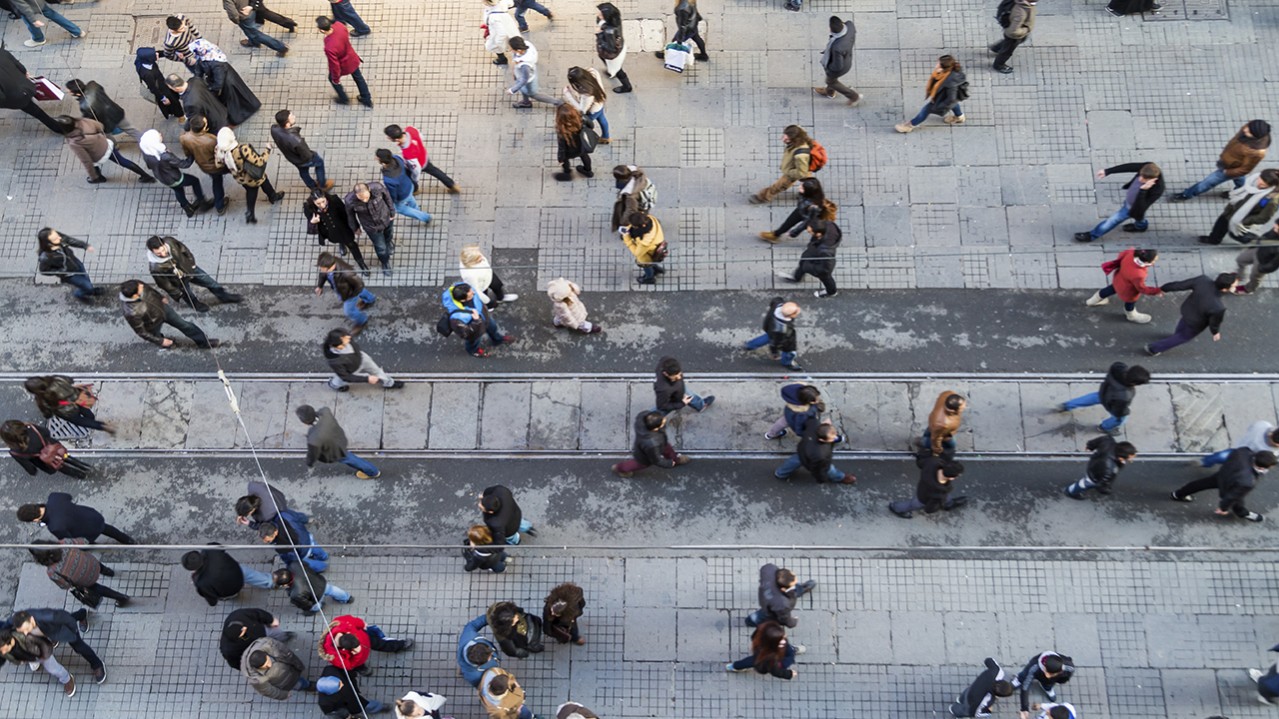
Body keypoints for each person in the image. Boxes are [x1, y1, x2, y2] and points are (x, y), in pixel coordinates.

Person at [1172, 120, 1271, 201]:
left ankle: (1187, 194)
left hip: (1231, 168)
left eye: (1249, 131)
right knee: (1240, 179)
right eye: (1247, 126)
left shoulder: (1257, 152)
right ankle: (1240, 192)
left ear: (1255, 136)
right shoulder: (1249, 129)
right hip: (1229, 162)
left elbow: (1245, 169)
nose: (1245, 129)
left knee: (1207, 182)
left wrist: (1227, 172)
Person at [1171, 447, 1275, 521]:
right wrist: (1223, 508)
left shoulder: (1243, 451)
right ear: (1262, 468)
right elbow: (1231, 496)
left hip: (1222, 475)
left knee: (1201, 484)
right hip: (1230, 486)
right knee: (1237, 503)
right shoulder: (1247, 482)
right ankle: (1243, 514)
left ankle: (1178, 494)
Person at [1146, 272, 1237, 356]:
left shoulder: (1202, 280)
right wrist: (1215, 332)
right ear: (1225, 289)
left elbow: (1180, 285)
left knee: (1181, 328)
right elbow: (1214, 323)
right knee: (1182, 337)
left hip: (1187, 311)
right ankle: (1153, 348)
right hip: (1195, 323)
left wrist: (1163, 288)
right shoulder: (1218, 308)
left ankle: (1174, 336)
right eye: (1234, 286)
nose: (1235, 287)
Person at [146, 235, 243, 312]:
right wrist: (177, 293)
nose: (163, 254)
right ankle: (196, 305)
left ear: (164, 243)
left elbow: (183, 249)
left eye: (163, 250)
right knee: (188, 295)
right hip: (179, 282)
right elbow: (164, 284)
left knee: (210, 282)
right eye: (158, 253)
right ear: (152, 252)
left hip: (189, 268)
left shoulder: (170, 241)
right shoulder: (155, 268)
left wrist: (192, 263)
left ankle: (224, 296)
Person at [1072, 163, 1164, 243]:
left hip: (1133, 207)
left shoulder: (1157, 190)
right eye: (1140, 175)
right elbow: (1129, 167)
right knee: (1139, 216)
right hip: (1130, 202)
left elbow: (1142, 206)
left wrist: (1143, 190)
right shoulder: (1148, 167)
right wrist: (1108, 171)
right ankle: (1141, 226)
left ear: (1153, 180)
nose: (1140, 178)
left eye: (1144, 178)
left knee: (1112, 221)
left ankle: (1092, 235)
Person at [11, 608, 105, 685]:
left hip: (64, 629)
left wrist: (73, 631)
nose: (26, 632)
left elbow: (66, 619)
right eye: (23, 631)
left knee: (79, 647)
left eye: (26, 629)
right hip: (52, 631)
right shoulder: (21, 623)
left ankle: (97, 664)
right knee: (66, 621)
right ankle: (82, 614)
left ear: (31, 620)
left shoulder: (48, 617)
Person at [119, 278, 220, 349]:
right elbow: (141, 332)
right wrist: (160, 341)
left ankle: (204, 342)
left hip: (164, 310)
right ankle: (167, 344)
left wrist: (160, 297)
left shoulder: (137, 284)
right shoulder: (131, 312)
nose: (142, 285)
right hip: (152, 323)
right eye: (140, 287)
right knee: (157, 336)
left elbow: (151, 290)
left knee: (185, 325)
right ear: (135, 295)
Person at [30, 539, 131, 608]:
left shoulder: (51, 572)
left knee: (97, 588)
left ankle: (121, 597)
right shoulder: (64, 543)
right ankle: (109, 572)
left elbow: (65, 586)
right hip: (92, 563)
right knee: (93, 563)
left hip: (86, 580)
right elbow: (84, 542)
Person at [54, 114, 152, 186]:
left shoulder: (74, 142)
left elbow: (86, 160)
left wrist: (93, 177)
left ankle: (98, 177)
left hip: (98, 154)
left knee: (95, 164)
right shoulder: (82, 121)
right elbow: (100, 126)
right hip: (106, 143)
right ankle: (145, 176)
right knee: (123, 161)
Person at [216, 127, 284, 224]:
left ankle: (270, 197)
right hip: (253, 176)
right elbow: (260, 162)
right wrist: (267, 149)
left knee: (257, 186)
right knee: (255, 188)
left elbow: (218, 165)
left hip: (240, 178)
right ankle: (253, 210)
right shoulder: (242, 149)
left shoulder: (219, 150)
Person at [1059, 361, 1151, 433]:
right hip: (1111, 402)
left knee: (1090, 398)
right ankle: (1104, 427)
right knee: (1121, 419)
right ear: (1134, 383)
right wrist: (1125, 412)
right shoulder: (1125, 395)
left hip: (1104, 391)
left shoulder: (1118, 367)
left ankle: (1067, 405)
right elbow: (1119, 411)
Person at [140, 129, 213, 218]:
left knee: (178, 189)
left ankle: (187, 209)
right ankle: (202, 202)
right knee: (194, 181)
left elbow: (149, 166)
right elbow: (184, 164)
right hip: (175, 178)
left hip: (163, 178)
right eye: (157, 135)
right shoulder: (165, 156)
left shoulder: (147, 154)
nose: (160, 134)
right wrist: (193, 154)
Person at [296, 403, 381, 479]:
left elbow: (312, 454)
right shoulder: (325, 412)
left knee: (349, 459)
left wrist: (309, 463)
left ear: (305, 422)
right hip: (339, 438)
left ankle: (372, 472)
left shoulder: (314, 439)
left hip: (335, 450)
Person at [1197, 168, 1279, 245]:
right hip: (1231, 210)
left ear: (1272, 185)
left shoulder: (1272, 201)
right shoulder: (1254, 180)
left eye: (1263, 185)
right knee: (1220, 225)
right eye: (1260, 179)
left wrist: (1244, 221)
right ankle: (1213, 240)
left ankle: (1259, 244)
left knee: (1237, 235)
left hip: (1243, 219)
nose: (1258, 183)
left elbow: (1263, 218)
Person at [191, 40, 263, 127]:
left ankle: (240, 116)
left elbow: (219, 83)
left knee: (233, 99)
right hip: (225, 79)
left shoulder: (216, 63)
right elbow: (199, 69)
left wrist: (210, 89)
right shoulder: (206, 56)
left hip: (227, 83)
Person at [17, 492, 136, 544]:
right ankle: (128, 541)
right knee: (108, 529)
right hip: (92, 517)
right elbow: (68, 496)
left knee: (88, 543)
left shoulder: (54, 527)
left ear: (35, 520)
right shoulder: (54, 497)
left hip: (86, 534)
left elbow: (67, 537)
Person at [318, 614, 415, 674]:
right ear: (345, 649)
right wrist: (357, 655)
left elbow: (353, 620)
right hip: (358, 659)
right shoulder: (333, 655)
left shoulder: (342, 623)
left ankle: (399, 645)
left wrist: (362, 625)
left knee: (382, 643)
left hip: (367, 639)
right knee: (358, 666)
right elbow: (349, 665)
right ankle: (363, 669)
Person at [1085, 248, 1162, 323]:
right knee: (1130, 301)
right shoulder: (1139, 274)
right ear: (1147, 261)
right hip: (1128, 289)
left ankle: (1092, 301)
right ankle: (1131, 315)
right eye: (1154, 260)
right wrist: (1157, 291)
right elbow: (1141, 288)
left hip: (1119, 278)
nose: (1155, 261)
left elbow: (1121, 255)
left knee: (1111, 288)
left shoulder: (1131, 252)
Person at [23, 375, 113, 439]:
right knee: (86, 413)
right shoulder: (55, 379)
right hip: (77, 399)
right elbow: (70, 380)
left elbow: (48, 414)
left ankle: (103, 426)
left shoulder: (41, 400)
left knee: (81, 421)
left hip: (67, 412)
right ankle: (92, 418)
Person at [895, 55, 966, 132]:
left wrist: (940, 106)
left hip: (941, 98)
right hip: (943, 95)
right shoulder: (948, 70)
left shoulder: (951, 82)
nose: (936, 65)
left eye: (938, 64)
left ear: (944, 67)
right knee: (954, 103)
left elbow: (951, 99)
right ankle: (959, 117)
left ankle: (910, 125)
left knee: (926, 110)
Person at [182, 546, 273, 606]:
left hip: (232, 589)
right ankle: (272, 581)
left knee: (231, 596)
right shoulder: (210, 550)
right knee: (253, 576)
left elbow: (211, 599)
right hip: (237, 570)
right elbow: (220, 547)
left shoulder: (201, 582)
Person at [443, 283, 515, 358]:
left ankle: (498, 339)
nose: (474, 293)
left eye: (472, 291)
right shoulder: (457, 318)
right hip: (475, 332)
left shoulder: (467, 289)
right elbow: (465, 333)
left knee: (493, 329)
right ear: (463, 300)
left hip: (486, 319)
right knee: (473, 342)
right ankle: (474, 351)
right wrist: (476, 321)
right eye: (471, 294)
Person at [775, 416, 855, 484]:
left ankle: (780, 473)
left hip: (802, 450)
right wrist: (820, 479)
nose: (835, 438)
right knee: (830, 469)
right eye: (832, 438)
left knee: (793, 461)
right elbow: (818, 469)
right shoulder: (821, 454)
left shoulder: (813, 424)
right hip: (809, 459)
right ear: (822, 440)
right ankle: (840, 477)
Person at [889, 447, 966, 518]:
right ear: (951, 477)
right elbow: (932, 506)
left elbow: (921, 463)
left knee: (944, 497)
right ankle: (896, 507)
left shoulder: (933, 462)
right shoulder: (939, 492)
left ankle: (948, 503)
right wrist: (930, 509)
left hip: (923, 489)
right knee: (913, 504)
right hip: (923, 498)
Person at [611, 410, 691, 478]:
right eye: (662, 422)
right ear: (656, 428)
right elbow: (656, 460)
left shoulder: (642, 417)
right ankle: (621, 468)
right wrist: (669, 464)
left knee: (668, 450)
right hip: (646, 455)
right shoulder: (652, 443)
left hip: (661, 443)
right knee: (640, 463)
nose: (665, 419)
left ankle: (676, 460)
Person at [0, 627, 75, 697]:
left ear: (9, 641)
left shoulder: (27, 637)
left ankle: (67, 679)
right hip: (29, 655)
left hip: (40, 652)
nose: (3, 652)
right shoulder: (4, 649)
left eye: (4, 649)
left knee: (53, 668)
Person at [2, 420, 91, 479]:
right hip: (55, 449)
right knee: (65, 456)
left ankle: (81, 475)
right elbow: (46, 432)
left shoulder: (15, 452)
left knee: (61, 467)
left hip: (47, 462)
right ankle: (83, 466)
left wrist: (32, 471)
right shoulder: (31, 427)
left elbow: (31, 469)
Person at [0, 47, 61, 132]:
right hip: (27, 85)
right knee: (31, 105)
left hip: (18, 97)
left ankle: (59, 129)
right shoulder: (2, 52)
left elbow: (1, 98)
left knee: (38, 113)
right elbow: (21, 68)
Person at [180, 114, 232, 215]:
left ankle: (220, 206)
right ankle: (219, 205)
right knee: (218, 182)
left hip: (203, 165)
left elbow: (187, 153)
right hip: (215, 166)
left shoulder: (184, 138)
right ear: (204, 128)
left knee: (216, 181)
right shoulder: (211, 140)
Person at [384, 123, 459, 193]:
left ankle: (415, 190)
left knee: (410, 177)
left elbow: (416, 169)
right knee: (435, 171)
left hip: (420, 163)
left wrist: (415, 179)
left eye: (389, 137)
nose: (388, 138)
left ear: (397, 139)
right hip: (423, 156)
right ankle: (452, 185)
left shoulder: (408, 153)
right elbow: (420, 136)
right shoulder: (410, 129)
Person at [323, 329, 405, 391]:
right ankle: (334, 384)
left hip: (361, 357)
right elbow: (346, 376)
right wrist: (367, 379)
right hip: (351, 369)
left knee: (376, 371)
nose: (349, 337)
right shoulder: (335, 360)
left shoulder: (343, 334)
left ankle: (389, 383)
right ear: (337, 346)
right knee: (341, 378)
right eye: (345, 339)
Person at [759, 177, 835, 244]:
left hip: (809, 216)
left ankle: (817, 243)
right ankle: (776, 235)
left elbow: (807, 222)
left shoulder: (814, 207)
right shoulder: (810, 193)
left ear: (808, 192)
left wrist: (795, 232)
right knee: (788, 222)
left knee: (814, 231)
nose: (799, 187)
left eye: (802, 188)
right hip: (801, 210)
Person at [749, 125, 813, 203]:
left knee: (778, 186)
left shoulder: (800, 155)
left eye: (787, 138)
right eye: (784, 135)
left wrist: (788, 172)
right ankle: (809, 194)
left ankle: (763, 197)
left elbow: (801, 172)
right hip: (800, 167)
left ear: (795, 139)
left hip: (793, 172)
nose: (782, 138)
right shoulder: (799, 138)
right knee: (808, 181)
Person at [778, 219, 841, 298]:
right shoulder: (825, 225)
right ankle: (797, 277)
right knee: (804, 260)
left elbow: (826, 269)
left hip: (821, 262)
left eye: (810, 232)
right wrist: (795, 232)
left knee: (825, 277)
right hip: (815, 248)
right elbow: (808, 222)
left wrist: (808, 267)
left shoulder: (825, 251)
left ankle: (831, 291)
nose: (808, 233)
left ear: (818, 234)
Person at [270, 110, 331, 191]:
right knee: (319, 163)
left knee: (303, 172)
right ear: (287, 124)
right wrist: (312, 156)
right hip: (303, 159)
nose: (294, 116)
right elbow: (307, 155)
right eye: (292, 117)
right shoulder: (297, 140)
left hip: (292, 158)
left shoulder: (274, 129)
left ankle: (313, 187)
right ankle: (322, 184)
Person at [318, 16, 372, 107]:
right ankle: (366, 99)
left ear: (322, 30)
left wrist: (336, 79)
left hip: (343, 65)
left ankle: (343, 98)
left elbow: (334, 65)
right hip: (352, 58)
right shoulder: (340, 26)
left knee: (332, 79)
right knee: (358, 78)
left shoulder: (329, 47)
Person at [37, 227, 103, 301]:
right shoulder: (45, 258)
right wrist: (62, 271)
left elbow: (69, 240)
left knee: (85, 278)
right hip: (69, 274)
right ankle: (80, 294)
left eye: (57, 235)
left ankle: (89, 290)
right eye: (55, 239)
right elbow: (44, 271)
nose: (59, 238)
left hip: (75, 263)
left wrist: (85, 246)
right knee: (88, 286)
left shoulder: (58, 239)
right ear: (48, 243)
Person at [345, 181, 396, 275]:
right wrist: (355, 228)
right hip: (371, 227)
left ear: (369, 190)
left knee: (389, 234)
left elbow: (388, 198)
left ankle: (389, 242)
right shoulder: (350, 201)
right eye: (361, 198)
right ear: (356, 195)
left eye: (366, 197)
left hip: (386, 218)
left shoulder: (378, 188)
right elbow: (350, 215)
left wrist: (392, 212)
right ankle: (385, 262)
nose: (364, 200)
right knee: (381, 247)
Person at [306, 192, 367, 271]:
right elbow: (311, 228)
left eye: (323, 201)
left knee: (352, 245)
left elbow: (347, 214)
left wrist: (354, 227)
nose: (322, 205)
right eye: (318, 203)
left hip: (342, 228)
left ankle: (361, 263)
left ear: (325, 197)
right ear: (313, 202)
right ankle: (341, 243)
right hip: (330, 231)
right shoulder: (308, 207)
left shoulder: (334, 200)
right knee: (337, 239)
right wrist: (313, 222)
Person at [64, 79, 139, 142]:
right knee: (130, 129)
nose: (68, 91)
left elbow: (91, 119)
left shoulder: (84, 106)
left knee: (108, 137)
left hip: (105, 124)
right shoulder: (93, 85)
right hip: (115, 112)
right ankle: (142, 140)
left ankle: (115, 147)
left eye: (70, 91)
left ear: (77, 94)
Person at [1064, 435, 1138, 499]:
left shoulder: (1108, 441)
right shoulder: (1110, 469)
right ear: (1121, 458)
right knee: (1084, 484)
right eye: (1130, 458)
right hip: (1094, 475)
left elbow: (1097, 441)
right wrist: (1106, 490)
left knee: (1085, 482)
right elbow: (1102, 483)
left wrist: (1090, 446)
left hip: (1094, 463)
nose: (1131, 460)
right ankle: (1070, 491)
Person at [316, 253, 375, 331]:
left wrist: (351, 296)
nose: (321, 269)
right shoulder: (329, 263)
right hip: (346, 289)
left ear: (329, 268)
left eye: (322, 268)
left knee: (349, 311)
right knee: (361, 291)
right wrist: (320, 286)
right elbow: (322, 275)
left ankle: (362, 321)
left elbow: (359, 285)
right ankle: (370, 299)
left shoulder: (347, 273)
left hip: (349, 294)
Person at [221, 608, 295, 669]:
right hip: (256, 649)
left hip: (263, 631)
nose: (245, 628)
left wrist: (271, 620)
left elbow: (257, 613)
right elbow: (234, 662)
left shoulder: (237, 616)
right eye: (243, 632)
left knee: (277, 633)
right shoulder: (228, 649)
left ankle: (284, 636)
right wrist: (248, 667)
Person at [746, 563, 815, 628]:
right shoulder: (782, 604)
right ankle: (751, 621)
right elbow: (784, 618)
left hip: (766, 593)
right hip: (769, 606)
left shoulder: (768, 569)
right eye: (793, 584)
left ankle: (801, 589)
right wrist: (792, 622)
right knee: (764, 614)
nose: (796, 581)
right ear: (783, 589)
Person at [725, 621, 802, 679]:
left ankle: (734, 666)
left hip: (762, 654)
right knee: (752, 661)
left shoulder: (762, 634)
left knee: (751, 661)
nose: (784, 639)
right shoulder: (770, 659)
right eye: (781, 640)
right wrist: (789, 674)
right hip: (767, 659)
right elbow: (775, 671)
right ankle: (735, 666)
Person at [242, 637, 312, 699]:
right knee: (300, 684)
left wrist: (297, 664)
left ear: (266, 654)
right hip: (286, 683)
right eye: (265, 666)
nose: (269, 665)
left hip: (290, 668)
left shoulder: (267, 643)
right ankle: (307, 686)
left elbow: (285, 651)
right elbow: (269, 691)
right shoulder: (255, 679)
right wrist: (284, 695)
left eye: (268, 661)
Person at [742, 298, 803, 370]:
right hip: (784, 341)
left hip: (770, 329)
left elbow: (776, 300)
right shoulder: (782, 329)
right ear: (790, 315)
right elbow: (776, 343)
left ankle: (749, 345)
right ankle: (786, 363)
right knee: (790, 353)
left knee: (768, 337)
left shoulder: (777, 305)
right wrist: (774, 352)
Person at [258, 514, 330, 573]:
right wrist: (306, 520)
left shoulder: (281, 546)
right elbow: (298, 517)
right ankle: (324, 556)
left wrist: (290, 566)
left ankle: (323, 567)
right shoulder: (283, 516)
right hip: (306, 537)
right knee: (316, 548)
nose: (265, 542)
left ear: (275, 532)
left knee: (306, 563)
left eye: (268, 541)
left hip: (302, 551)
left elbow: (292, 558)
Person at [378, 148, 432, 223]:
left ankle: (425, 217)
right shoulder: (397, 158)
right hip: (409, 185)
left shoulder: (389, 179)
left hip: (402, 194)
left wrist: (393, 201)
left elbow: (393, 193)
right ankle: (416, 210)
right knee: (410, 198)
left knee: (399, 208)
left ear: (382, 162)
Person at [1013, 651, 1074, 718]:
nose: (1047, 675)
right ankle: (1019, 680)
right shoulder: (1034, 667)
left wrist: (1059, 680)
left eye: (1051, 674)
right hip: (1035, 672)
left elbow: (1066, 677)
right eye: (1046, 671)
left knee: (1049, 682)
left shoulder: (1069, 667)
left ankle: (1047, 687)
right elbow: (1025, 686)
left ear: (1060, 671)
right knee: (1024, 676)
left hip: (1052, 679)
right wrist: (1024, 707)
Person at [272, 565, 352, 614]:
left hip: (316, 596)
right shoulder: (294, 565)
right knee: (333, 590)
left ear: (285, 584)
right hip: (320, 583)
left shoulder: (295, 594)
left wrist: (309, 608)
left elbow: (306, 604)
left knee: (315, 606)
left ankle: (320, 607)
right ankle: (347, 598)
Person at [814, 17, 858, 105]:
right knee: (831, 81)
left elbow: (838, 66)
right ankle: (829, 92)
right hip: (847, 57)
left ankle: (853, 96)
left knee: (830, 81)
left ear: (830, 29)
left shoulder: (837, 47)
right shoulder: (850, 25)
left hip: (841, 67)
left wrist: (828, 68)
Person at [951, 657, 1015, 718]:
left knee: (964, 696)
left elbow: (988, 660)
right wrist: (988, 712)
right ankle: (954, 710)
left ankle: (959, 700)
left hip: (971, 689)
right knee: (963, 710)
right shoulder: (987, 699)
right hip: (970, 702)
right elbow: (977, 713)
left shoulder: (997, 671)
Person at [508, 36, 560, 109]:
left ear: (518, 50)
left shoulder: (525, 65)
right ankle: (525, 102)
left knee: (533, 94)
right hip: (523, 75)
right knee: (523, 89)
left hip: (528, 80)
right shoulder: (526, 45)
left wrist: (512, 90)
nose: (510, 50)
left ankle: (557, 102)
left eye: (511, 48)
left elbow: (524, 80)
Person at [1202, 420, 1279, 468]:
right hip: (1242, 457)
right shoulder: (1268, 451)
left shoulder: (1263, 424)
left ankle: (1205, 462)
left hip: (1238, 446)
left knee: (1219, 456)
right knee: (1226, 460)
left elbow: (1250, 428)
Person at [224, 0, 289, 56]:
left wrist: (237, 21)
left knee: (255, 34)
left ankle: (281, 47)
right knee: (251, 32)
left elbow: (233, 15)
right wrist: (251, 6)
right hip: (251, 10)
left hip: (244, 16)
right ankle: (254, 42)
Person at [563, 66, 610, 144]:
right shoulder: (592, 71)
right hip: (600, 101)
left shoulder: (587, 93)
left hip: (592, 111)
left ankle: (583, 141)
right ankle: (606, 137)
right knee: (602, 119)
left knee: (581, 126)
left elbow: (582, 110)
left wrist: (568, 95)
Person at [135, 48, 185, 120]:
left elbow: (160, 53)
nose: (157, 54)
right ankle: (180, 115)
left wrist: (174, 53)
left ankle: (172, 111)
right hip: (161, 89)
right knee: (173, 102)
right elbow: (153, 88)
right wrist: (163, 98)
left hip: (161, 82)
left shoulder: (142, 59)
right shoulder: (147, 74)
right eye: (154, 55)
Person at [11, 0, 84, 48]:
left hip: (29, 8)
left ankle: (38, 39)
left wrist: (33, 20)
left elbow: (23, 6)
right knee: (54, 15)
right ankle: (77, 31)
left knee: (30, 22)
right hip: (39, 2)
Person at [990, 0, 1036, 74]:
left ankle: (997, 47)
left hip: (1016, 30)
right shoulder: (1020, 13)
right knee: (1007, 51)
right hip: (1013, 36)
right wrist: (1026, 30)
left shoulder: (1025, 4)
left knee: (1023, 39)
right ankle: (999, 65)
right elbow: (1013, 31)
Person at [619, 211, 665, 284]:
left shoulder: (645, 242)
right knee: (652, 261)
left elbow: (637, 253)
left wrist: (626, 238)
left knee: (645, 263)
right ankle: (656, 269)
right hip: (657, 245)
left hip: (648, 252)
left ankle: (650, 278)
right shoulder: (650, 219)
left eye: (633, 225)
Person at [317, 670, 388, 715]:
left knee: (365, 704)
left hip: (352, 697)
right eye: (339, 686)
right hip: (349, 704)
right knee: (363, 705)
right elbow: (332, 712)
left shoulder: (331, 670)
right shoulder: (324, 702)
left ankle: (376, 707)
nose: (342, 684)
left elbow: (346, 672)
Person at [457, 614, 501, 687]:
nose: (492, 654)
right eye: (490, 657)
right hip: (468, 670)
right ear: (480, 664)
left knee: (463, 667)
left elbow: (473, 625)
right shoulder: (474, 676)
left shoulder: (469, 635)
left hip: (466, 665)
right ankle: (461, 671)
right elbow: (480, 685)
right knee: (464, 670)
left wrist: (493, 617)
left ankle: (461, 669)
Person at [552, 104, 592, 182]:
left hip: (569, 152)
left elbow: (562, 148)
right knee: (584, 156)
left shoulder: (562, 131)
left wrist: (560, 158)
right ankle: (588, 171)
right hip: (582, 146)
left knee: (565, 161)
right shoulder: (582, 118)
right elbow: (591, 125)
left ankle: (567, 173)